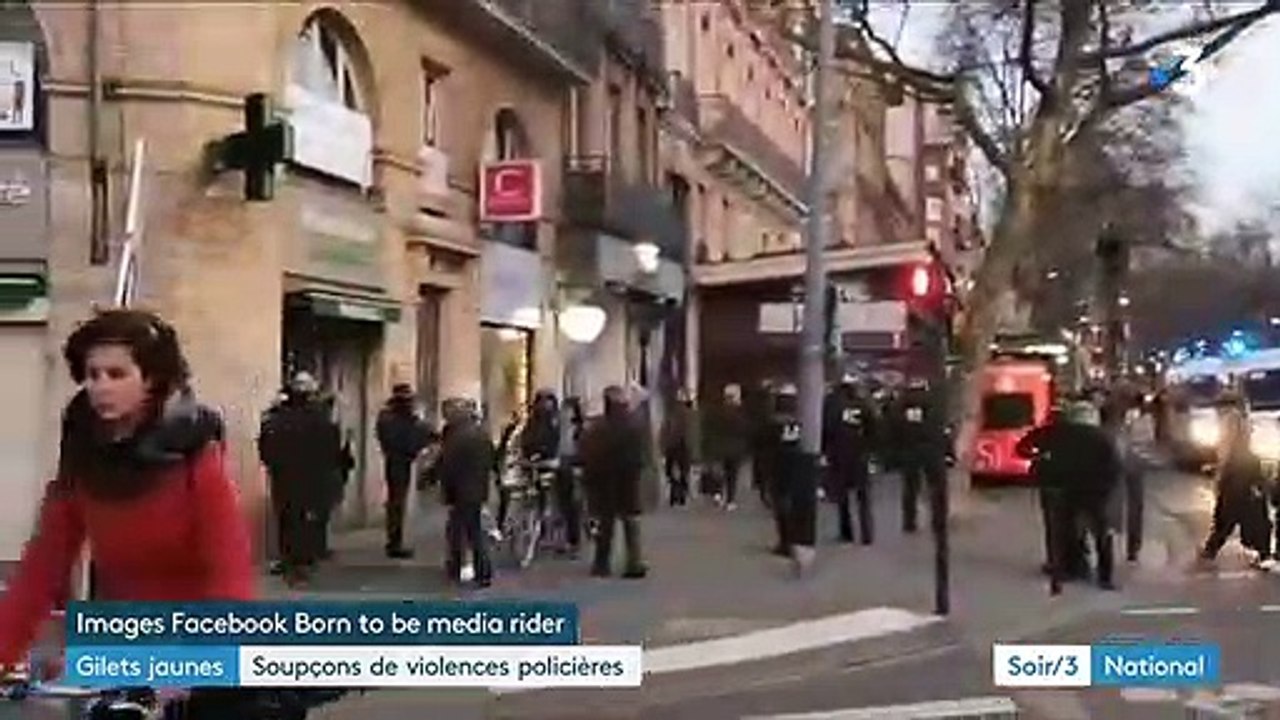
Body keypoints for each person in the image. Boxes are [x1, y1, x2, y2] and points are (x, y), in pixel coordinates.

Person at [0, 310, 257, 708]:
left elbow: (229, 567)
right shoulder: (83, 456)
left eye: (117, 374)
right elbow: (41, 568)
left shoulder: (193, 455)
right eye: (92, 374)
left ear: (150, 380)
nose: (101, 387)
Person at [258, 372, 340, 586]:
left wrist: (274, 466)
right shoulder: (320, 418)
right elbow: (330, 449)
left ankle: (290, 562)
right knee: (305, 520)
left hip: (285, 476)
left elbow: (266, 448)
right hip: (308, 476)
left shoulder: (276, 417)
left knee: (287, 519)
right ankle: (301, 563)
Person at [581, 386, 647, 578]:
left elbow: (590, 454)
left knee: (606, 524)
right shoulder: (634, 424)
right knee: (630, 522)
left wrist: (589, 476)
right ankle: (634, 563)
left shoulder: (600, 427)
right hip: (628, 478)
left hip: (606, 480)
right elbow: (641, 455)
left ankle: (602, 564)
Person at [1201, 399, 1272, 566]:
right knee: (1248, 515)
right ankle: (1263, 552)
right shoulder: (1240, 421)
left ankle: (1211, 550)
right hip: (1244, 470)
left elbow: (1230, 450)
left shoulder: (1232, 421)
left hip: (1238, 472)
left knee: (1229, 514)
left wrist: (1221, 473)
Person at [437, 397, 495, 588]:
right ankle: (479, 570)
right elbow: (491, 460)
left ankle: (465, 567)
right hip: (477, 488)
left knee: (463, 530)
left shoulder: (455, 436)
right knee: (471, 530)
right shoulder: (481, 434)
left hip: (462, 489)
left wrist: (444, 486)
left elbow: (448, 465)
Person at [375, 383, 434, 559]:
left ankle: (394, 541)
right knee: (397, 502)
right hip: (398, 461)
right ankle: (394, 542)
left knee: (396, 501)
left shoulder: (389, 417)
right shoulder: (397, 419)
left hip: (396, 460)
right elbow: (411, 438)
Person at [823, 376, 876, 545]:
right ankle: (867, 534)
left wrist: (825, 450)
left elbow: (826, 427)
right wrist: (869, 446)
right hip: (859, 453)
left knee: (842, 496)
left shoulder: (831, 403)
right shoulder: (862, 403)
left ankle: (846, 532)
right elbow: (873, 425)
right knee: (863, 496)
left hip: (838, 454)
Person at [762, 383, 804, 557]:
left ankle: (785, 541)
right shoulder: (798, 419)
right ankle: (794, 539)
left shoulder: (774, 421)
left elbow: (764, 444)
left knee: (780, 503)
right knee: (792, 503)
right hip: (796, 463)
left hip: (778, 462)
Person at [890, 377, 932, 534]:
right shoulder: (929, 402)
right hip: (927, 448)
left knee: (909, 488)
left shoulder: (901, 403)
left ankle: (909, 521)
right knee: (931, 484)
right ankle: (933, 516)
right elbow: (935, 423)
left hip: (908, 449)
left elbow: (893, 424)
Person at [704, 384, 750, 509]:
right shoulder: (740, 413)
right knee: (732, 475)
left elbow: (709, 428)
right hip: (735, 449)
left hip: (718, 447)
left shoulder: (716, 411)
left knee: (719, 472)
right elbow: (745, 429)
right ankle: (730, 500)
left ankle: (717, 494)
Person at [661, 389, 696, 507]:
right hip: (683, 447)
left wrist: (663, 445)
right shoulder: (690, 414)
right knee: (683, 471)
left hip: (673, 446)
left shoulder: (672, 412)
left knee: (671, 471)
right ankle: (681, 494)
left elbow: (665, 430)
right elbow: (694, 433)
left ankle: (675, 493)